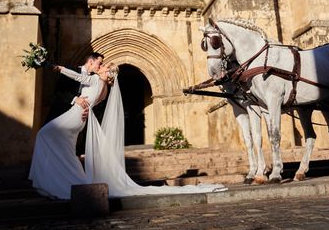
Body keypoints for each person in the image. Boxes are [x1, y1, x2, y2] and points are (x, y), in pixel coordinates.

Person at [29, 53, 225, 200]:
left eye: (104, 66)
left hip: (75, 115)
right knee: (63, 148)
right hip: (80, 118)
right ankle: (70, 180)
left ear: (107, 73)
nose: (101, 66)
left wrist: (56, 67)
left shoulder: (97, 80)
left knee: (44, 135)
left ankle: (56, 182)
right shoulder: (105, 88)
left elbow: (78, 77)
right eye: (101, 63)